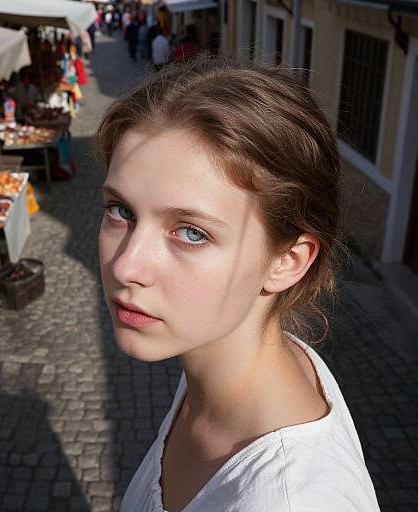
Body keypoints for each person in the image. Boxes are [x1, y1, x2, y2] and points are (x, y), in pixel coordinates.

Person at [96, 55, 382, 512]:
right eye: (121, 211)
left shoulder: (293, 501)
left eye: (192, 233)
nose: (128, 266)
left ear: (286, 261)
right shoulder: (218, 361)